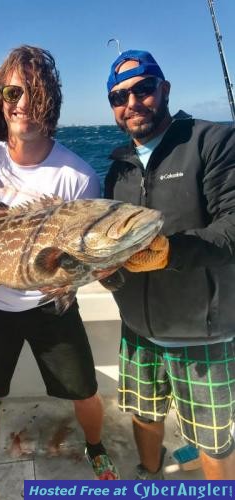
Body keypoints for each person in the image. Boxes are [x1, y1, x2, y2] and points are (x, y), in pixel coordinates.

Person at [0, 45, 119, 498]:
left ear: (50, 101)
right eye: (12, 92)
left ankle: (97, 446)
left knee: (84, 390)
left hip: (53, 304)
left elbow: (85, 250)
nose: (22, 103)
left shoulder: (79, 176)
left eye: (34, 93)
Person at [104, 49, 235, 480]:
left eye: (143, 89)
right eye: (119, 97)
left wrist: (173, 252)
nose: (132, 103)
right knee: (144, 416)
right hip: (138, 328)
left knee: (214, 439)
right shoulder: (118, 168)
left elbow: (232, 226)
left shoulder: (211, 140)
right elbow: (111, 245)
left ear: (164, 89)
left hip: (203, 332)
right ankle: (148, 473)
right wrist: (105, 273)